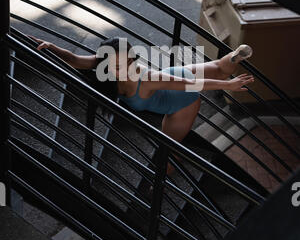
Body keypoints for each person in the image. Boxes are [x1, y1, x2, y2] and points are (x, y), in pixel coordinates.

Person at [28, 35, 254, 176]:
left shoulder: (146, 78)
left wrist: (228, 86)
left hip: (182, 102)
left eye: (125, 63)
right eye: (114, 65)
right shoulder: (102, 62)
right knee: (218, 67)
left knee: (169, 147)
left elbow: (191, 85)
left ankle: (163, 179)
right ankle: (233, 57)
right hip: (174, 77)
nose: (119, 70)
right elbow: (75, 59)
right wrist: (51, 47)